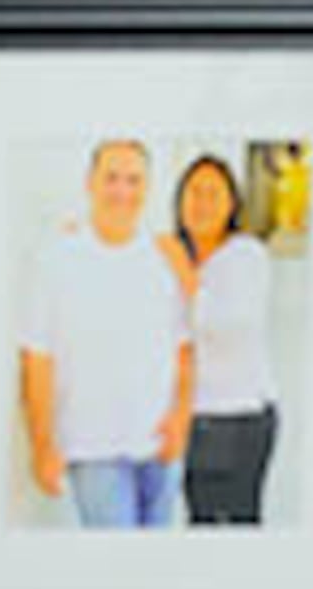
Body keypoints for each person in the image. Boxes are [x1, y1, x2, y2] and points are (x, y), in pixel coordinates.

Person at [17, 134, 189, 527]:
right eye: (112, 178)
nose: (122, 191)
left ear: (147, 188)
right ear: (90, 183)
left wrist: (180, 418)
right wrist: (42, 445)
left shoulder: (164, 257)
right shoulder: (55, 257)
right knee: (117, 575)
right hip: (93, 448)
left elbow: (184, 347)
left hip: (160, 448)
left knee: (154, 573)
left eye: (134, 180)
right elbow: (36, 358)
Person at [165, 153, 281, 525]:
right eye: (193, 192)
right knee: (201, 526)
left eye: (213, 193)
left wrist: (184, 275)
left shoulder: (246, 255)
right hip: (192, 421)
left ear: (232, 204)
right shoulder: (179, 258)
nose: (201, 202)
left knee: (233, 530)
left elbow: (228, 325)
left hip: (237, 418)